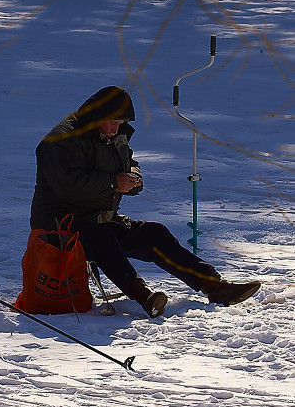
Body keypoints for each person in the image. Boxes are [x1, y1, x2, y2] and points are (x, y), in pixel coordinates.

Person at [30, 86, 260, 317]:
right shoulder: (62, 139)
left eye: (120, 124)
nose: (116, 128)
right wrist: (113, 183)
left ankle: (213, 286)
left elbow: (129, 162)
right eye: (112, 122)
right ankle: (143, 295)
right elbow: (67, 185)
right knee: (103, 238)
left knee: (154, 234)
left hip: (97, 220)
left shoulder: (112, 136)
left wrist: (133, 178)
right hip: (57, 225)